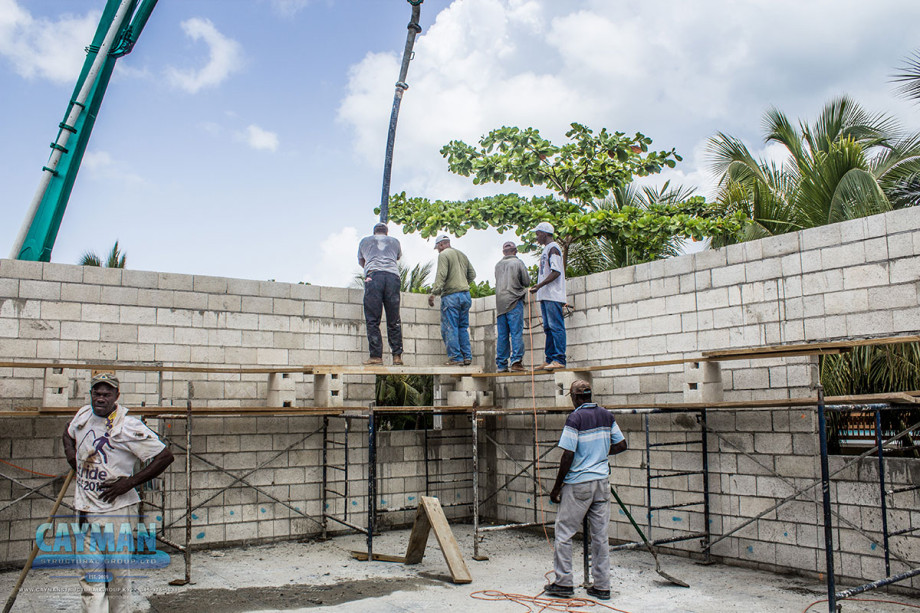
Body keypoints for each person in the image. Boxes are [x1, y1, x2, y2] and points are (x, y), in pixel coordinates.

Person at [63, 371, 174, 613]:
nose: (100, 398)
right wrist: (71, 453)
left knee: (117, 578)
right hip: (84, 510)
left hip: (117, 512)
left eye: (106, 394)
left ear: (116, 396)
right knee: (89, 578)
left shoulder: (128, 426)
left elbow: (165, 456)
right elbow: (68, 432)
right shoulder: (83, 414)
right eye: (96, 393)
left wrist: (130, 482)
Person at [544, 379, 628, 601]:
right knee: (600, 537)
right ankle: (602, 586)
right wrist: (598, 453)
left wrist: (556, 487)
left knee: (563, 534)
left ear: (575, 397)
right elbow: (621, 445)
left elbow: (568, 455)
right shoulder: (606, 415)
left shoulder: (575, 417)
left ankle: (563, 583)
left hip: (579, 485)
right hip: (601, 483)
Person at [357, 222, 404, 366]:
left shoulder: (365, 241)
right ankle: (397, 356)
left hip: (374, 277)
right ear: (386, 232)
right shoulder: (394, 241)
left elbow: (361, 261)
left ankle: (376, 356)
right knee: (393, 319)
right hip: (392, 278)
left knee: (372, 319)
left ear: (374, 232)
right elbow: (396, 257)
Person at [428, 234, 476, 366]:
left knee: (450, 327)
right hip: (465, 295)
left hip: (451, 296)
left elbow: (441, 275)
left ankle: (455, 357)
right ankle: (467, 356)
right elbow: (472, 274)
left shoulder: (443, 255)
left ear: (441, 244)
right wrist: (462, 283)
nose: (438, 250)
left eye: (438, 247)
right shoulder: (462, 254)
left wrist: (434, 293)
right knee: (462, 327)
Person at [529, 221, 567, 370]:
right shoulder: (547, 249)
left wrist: (539, 286)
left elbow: (556, 271)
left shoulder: (554, 248)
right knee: (548, 328)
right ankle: (550, 358)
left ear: (545, 233)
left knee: (556, 326)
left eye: (538, 234)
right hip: (545, 295)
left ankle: (559, 359)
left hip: (553, 295)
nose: (537, 237)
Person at [494, 241, 530, 372]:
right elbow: (526, 281)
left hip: (500, 304)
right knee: (516, 333)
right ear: (515, 251)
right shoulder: (518, 263)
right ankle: (516, 362)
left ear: (504, 252)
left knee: (502, 335)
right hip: (514, 301)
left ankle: (501, 365)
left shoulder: (498, 265)